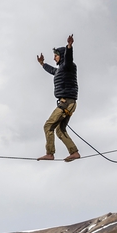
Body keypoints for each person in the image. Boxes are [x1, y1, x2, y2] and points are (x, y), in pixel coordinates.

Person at [36, 34, 80, 162]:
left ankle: (49, 153)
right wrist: (42, 64)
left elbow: (69, 58)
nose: (54, 57)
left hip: (66, 103)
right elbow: (52, 71)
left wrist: (69, 47)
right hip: (69, 103)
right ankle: (74, 152)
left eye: (56, 55)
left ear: (61, 55)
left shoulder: (68, 65)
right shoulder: (60, 69)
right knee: (60, 130)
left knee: (48, 126)